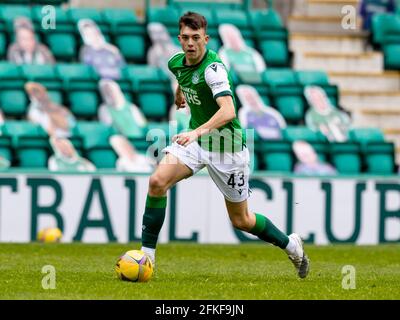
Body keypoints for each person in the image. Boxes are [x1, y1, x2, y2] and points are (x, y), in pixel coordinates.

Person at [134, 12, 310, 279]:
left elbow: (228, 111)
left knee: (242, 221)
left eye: (196, 38)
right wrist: (179, 94)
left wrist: (196, 132)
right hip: (197, 142)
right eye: (185, 38)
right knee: (157, 182)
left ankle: (291, 245)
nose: (190, 43)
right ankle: (147, 258)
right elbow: (183, 78)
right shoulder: (175, 62)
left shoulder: (214, 69)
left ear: (206, 39)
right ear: (179, 38)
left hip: (227, 147)